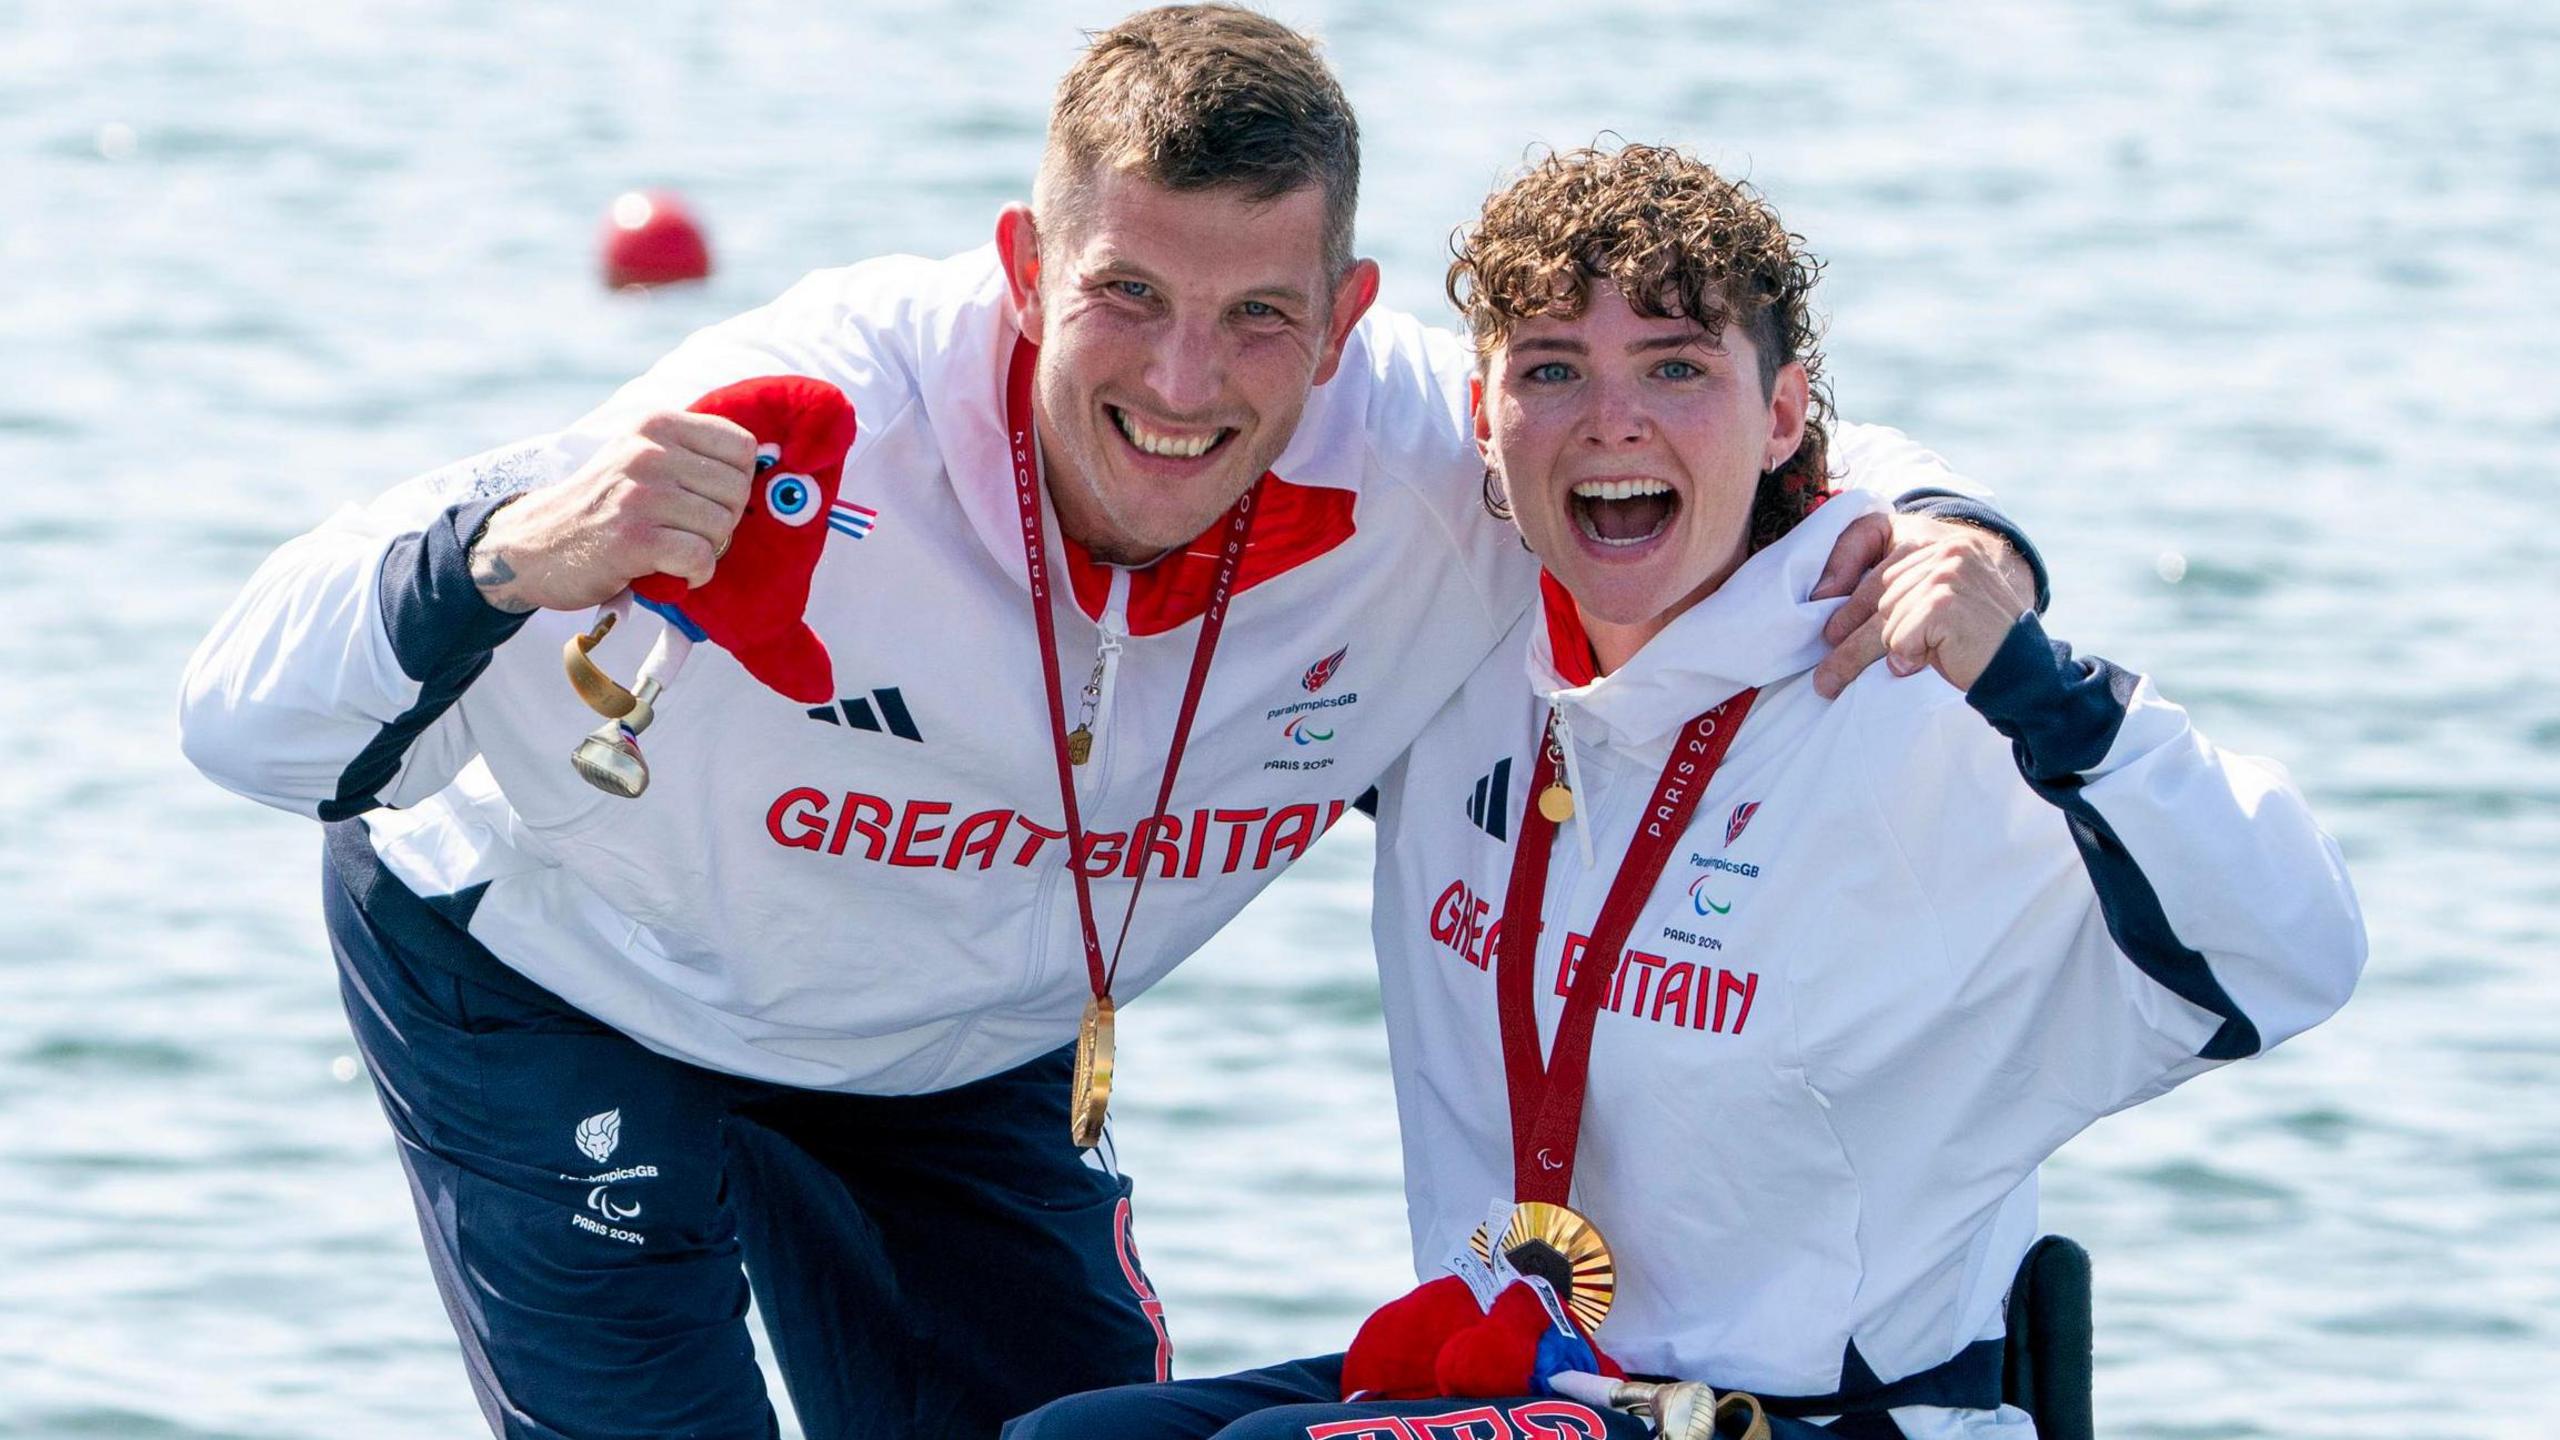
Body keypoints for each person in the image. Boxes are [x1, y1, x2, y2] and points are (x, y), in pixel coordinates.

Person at [176, 12, 2040, 1440]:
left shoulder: (1425, 454)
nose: (1180, 382)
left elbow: (1762, 448)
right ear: (1020, 269)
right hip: (560, 988)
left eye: (1255, 319)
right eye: (1124, 298)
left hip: (951, 1044)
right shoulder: (809, 419)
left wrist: (1965, 540)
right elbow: (244, 721)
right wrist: (513, 554)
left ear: (1346, 320)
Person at [1002, 144, 2363, 1440]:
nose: (1613, 422)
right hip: (1527, 1373)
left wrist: (2043, 691)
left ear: (1783, 416)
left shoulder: (1903, 692)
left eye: (1674, 368)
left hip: (1830, 1414)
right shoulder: (1459, 648)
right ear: (1484, 416)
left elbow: (2289, 953)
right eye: (1552, 369)